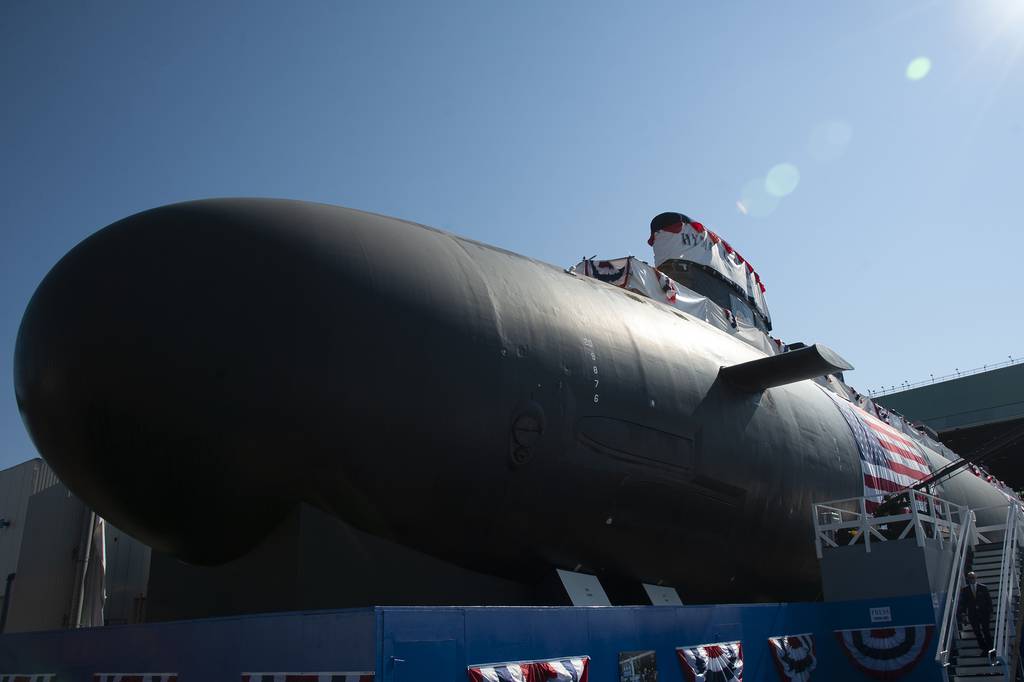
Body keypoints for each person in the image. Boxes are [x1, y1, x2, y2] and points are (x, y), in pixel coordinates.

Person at [959, 571, 994, 661]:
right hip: (973, 614)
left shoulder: (983, 588)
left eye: (973, 577)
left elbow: (988, 601)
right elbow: (963, 603)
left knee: (986, 631)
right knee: (977, 632)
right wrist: (963, 613)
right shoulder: (965, 590)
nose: (972, 579)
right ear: (967, 579)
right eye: (970, 578)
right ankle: (984, 649)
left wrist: (991, 612)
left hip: (984, 613)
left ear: (976, 578)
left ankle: (991, 648)